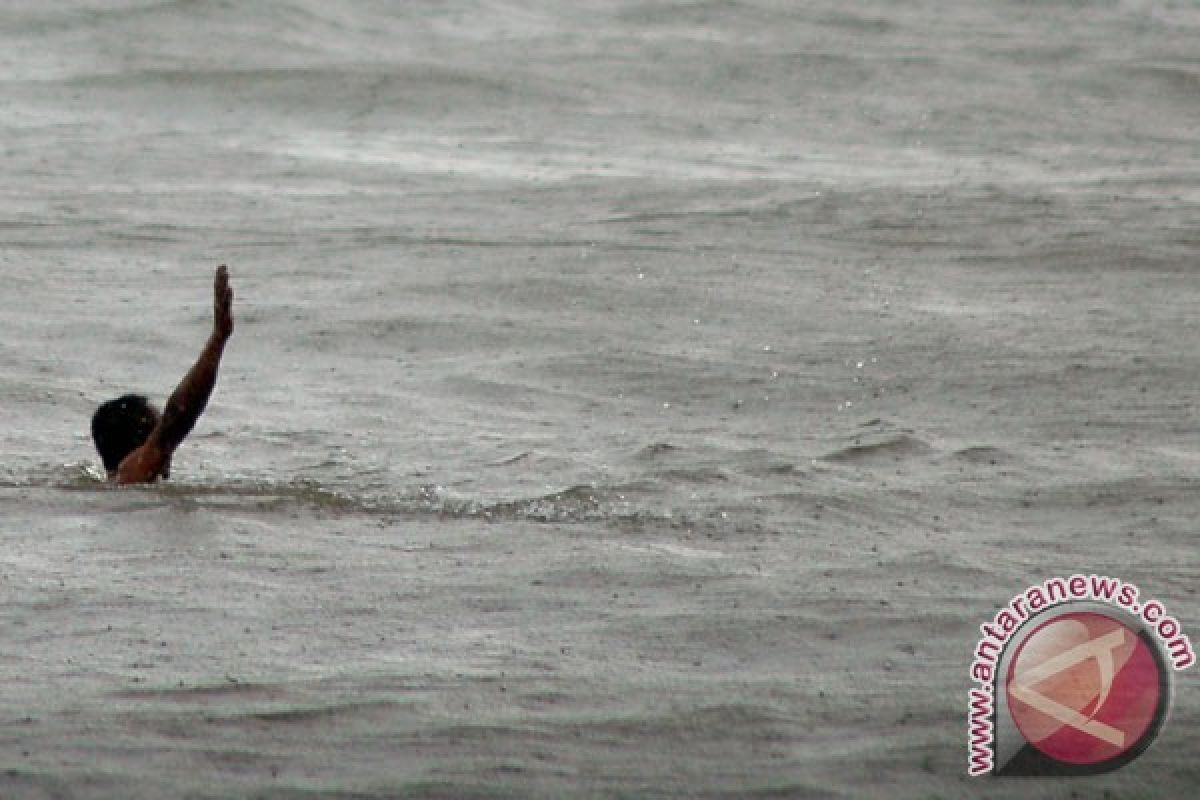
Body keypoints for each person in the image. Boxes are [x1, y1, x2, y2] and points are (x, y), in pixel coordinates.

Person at [91, 265, 234, 484]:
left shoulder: (119, 484)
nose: (171, 450)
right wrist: (218, 339)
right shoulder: (131, 475)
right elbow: (179, 415)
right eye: (156, 427)